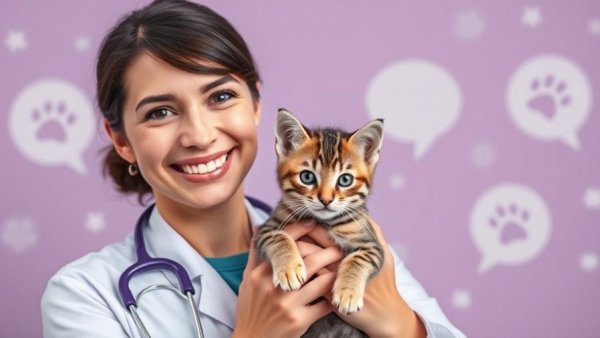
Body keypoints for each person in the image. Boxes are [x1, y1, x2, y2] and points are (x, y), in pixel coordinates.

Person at [41, 1, 466, 337]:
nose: (200, 134)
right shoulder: (83, 295)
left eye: (221, 97)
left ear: (257, 105)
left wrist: (400, 325)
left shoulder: (356, 238)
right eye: (161, 111)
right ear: (121, 141)